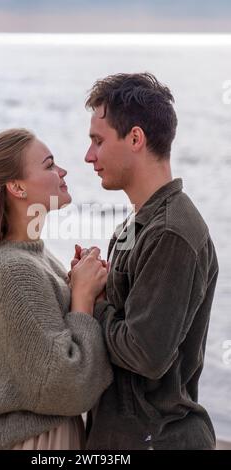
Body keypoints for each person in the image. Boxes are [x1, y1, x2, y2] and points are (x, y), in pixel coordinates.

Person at [73, 73, 219, 450]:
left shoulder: (171, 232)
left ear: (135, 139)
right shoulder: (138, 222)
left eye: (98, 141)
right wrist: (98, 280)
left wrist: (91, 302)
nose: (89, 156)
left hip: (157, 439)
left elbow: (144, 353)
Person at [0, 128, 113, 450]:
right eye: (50, 165)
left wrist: (85, 291)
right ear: (16, 187)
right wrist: (81, 299)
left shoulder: (33, 257)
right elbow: (68, 387)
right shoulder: (12, 270)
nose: (63, 171)